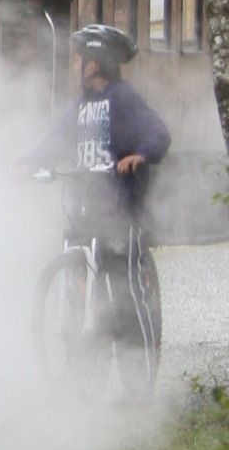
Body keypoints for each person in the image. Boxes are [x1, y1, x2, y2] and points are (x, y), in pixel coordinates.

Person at [29, 23, 170, 345]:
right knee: (80, 280)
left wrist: (140, 155)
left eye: (78, 59)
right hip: (85, 208)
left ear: (92, 64)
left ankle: (140, 381)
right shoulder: (81, 106)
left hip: (120, 213)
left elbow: (157, 132)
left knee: (130, 299)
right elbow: (58, 139)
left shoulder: (123, 98)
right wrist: (30, 162)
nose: (75, 65)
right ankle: (84, 372)